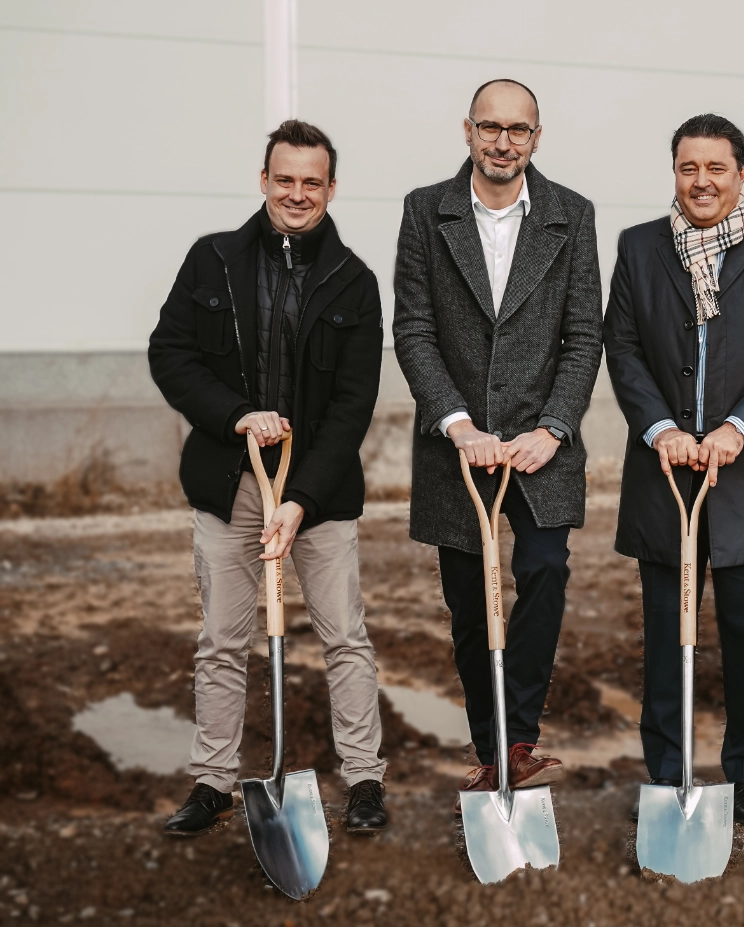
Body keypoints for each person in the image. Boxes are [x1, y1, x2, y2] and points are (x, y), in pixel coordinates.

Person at [149, 120, 388, 836]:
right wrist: (235, 416)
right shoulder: (213, 260)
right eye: (284, 179)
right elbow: (171, 353)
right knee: (222, 637)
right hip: (232, 480)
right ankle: (214, 779)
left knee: (344, 634)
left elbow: (353, 406)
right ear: (263, 181)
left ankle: (366, 779)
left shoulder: (355, 282)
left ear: (331, 189)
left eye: (312, 182)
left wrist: (303, 499)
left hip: (319, 489)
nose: (297, 193)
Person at [604, 114, 744, 825]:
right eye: (688, 168)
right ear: (674, 171)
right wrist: (661, 428)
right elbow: (623, 347)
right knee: (669, 635)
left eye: (716, 168)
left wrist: (739, 427)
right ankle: (668, 774)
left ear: (741, 173)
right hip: (665, 472)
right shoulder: (640, 247)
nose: (702, 182)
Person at [392, 79, 604, 800]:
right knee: (467, 599)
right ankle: (491, 749)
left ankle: (518, 734)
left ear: (536, 137)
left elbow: (584, 336)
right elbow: (415, 327)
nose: (503, 141)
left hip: (540, 444)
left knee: (544, 570)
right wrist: (456, 423)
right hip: (459, 445)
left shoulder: (572, 216)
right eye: (490, 127)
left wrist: (554, 427)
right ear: (468, 131)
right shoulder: (427, 211)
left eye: (518, 129)